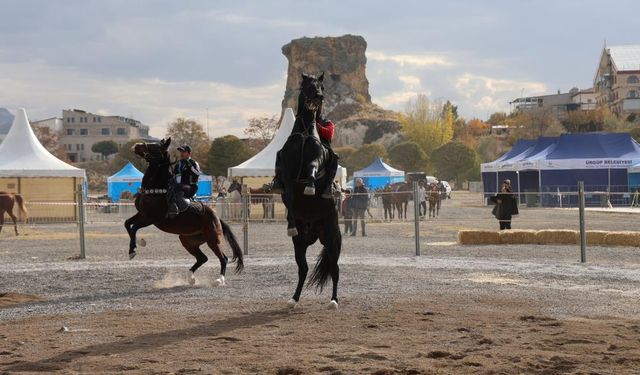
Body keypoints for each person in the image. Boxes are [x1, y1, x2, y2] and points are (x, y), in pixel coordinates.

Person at [270, 114, 339, 199]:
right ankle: (278, 181)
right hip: (304, 143)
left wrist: (316, 126)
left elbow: (329, 133)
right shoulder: (303, 120)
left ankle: (329, 185)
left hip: (322, 146)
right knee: (280, 153)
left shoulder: (327, 123)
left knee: (334, 157)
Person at [167, 145, 201, 217]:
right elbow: (174, 176)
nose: (181, 153)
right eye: (180, 151)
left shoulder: (193, 163)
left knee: (177, 187)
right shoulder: (178, 164)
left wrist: (190, 167)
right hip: (179, 186)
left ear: (189, 153)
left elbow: (198, 174)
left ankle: (174, 207)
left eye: (183, 151)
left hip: (191, 187)